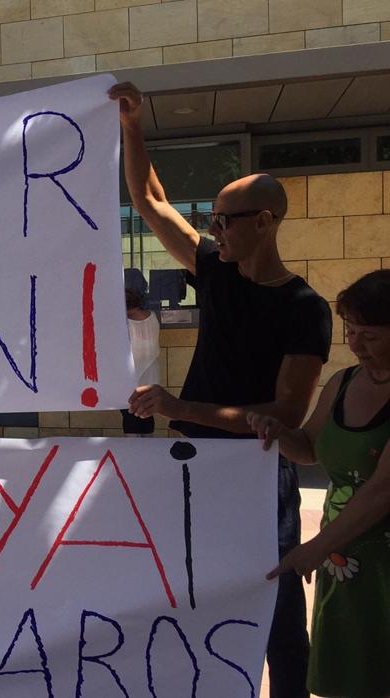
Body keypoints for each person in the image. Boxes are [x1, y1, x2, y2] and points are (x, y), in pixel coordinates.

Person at [110, 82, 332, 698]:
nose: (213, 231)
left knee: (275, 591)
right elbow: (149, 199)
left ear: (263, 224)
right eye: (210, 221)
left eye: (224, 221)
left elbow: (286, 416)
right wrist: (133, 123)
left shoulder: (304, 309)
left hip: (260, 471)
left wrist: (183, 407)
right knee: (190, 585)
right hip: (196, 464)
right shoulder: (215, 271)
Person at [249, 270, 390, 698]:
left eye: (370, 334)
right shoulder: (343, 382)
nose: (355, 343)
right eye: (351, 330)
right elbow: (309, 447)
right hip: (343, 566)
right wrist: (275, 432)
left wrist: (311, 549)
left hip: (375, 567)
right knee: (351, 675)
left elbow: (382, 492)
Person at [122, 284, 159, 436]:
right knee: (146, 415)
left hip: (132, 379)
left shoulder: (125, 324)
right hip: (151, 376)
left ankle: (135, 454)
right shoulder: (152, 316)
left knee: (131, 417)